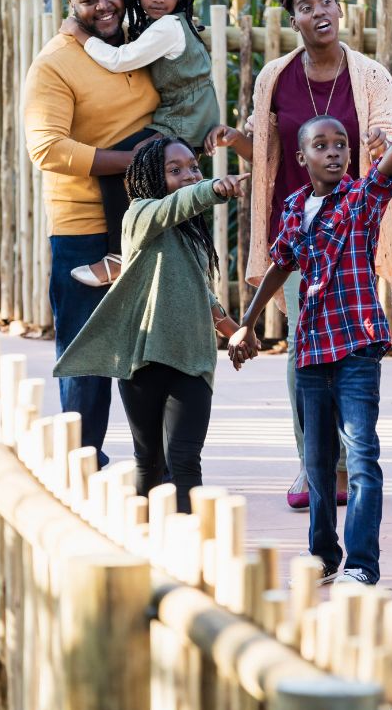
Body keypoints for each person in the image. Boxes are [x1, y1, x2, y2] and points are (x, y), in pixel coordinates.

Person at [208, 0, 392, 510]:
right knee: (303, 350)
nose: (320, 13)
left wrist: (387, 143)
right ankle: (313, 464)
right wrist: (233, 140)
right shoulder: (276, 78)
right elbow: (264, 147)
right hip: (298, 231)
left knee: (349, 348)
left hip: (353, 232)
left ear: (340, 8)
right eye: (306, 7)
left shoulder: (370, 77)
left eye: (326, 3)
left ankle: (347, 457)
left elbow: (387, 136)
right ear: (293, 18)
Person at [228, 107, 392, 585]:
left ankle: (362, 565)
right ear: (303, 157)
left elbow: (383, 175)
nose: (334, 151)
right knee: (316, 460)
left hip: (357, 345)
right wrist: (247, 324)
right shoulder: (296, 206)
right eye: (322, 145)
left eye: (340, 143)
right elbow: (281, 262)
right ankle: (323, 554)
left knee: (361, 454)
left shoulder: (358, 197)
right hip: (312, 351)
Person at [55, 137, 250, 512]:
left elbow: (201, 292)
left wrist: (234, 329)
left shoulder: (191, 234)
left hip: (192, 359)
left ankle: (193, 553)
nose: (188, 174)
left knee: (185, 459)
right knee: (149, 462)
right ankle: (148, 551)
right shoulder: (139, 215)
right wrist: (211, 188)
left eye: (194, 166)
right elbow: (177, 205)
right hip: (143, 361)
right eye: (174, 170)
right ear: (148, 177)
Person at [24, 0, 160, 465]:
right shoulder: (55, 63)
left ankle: (157, 467)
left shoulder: (140, 47)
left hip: (145, 220)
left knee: (152, 349)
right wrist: (139, 162)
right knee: (87, 353)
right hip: (83, 225)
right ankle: (81, 463)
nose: (104, 6)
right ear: (70, 3)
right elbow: (47, 148)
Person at [62, 0, 227, 287]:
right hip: (190, 117)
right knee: (145, 180)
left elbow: (120, 59)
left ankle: (118, 258)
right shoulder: (170, 24)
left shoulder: (167, 27)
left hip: (182, 121)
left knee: (114, 166)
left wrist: (80, 34)